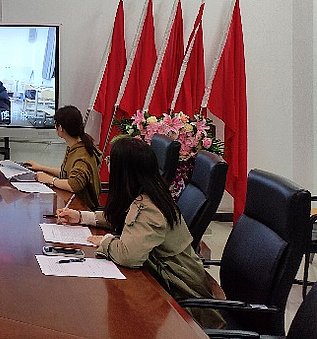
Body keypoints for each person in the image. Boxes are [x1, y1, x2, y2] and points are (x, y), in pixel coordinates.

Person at [56, 136, 224, 328]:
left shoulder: (149, 208)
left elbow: (129, 256)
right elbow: (124, 218)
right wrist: (82, 217)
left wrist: (105, 242)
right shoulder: (146, 193)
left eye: (111, 161)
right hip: (163, 283)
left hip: (180, 299)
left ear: (123, 171)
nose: (108, 165)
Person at [23, 105, 102, 211]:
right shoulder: (74, 146)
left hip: (83, 208)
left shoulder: (82, 154)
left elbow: (74, 185)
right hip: (72, 204)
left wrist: (50, 180)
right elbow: (66, 174)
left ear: (60, 128)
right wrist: (41, 168)